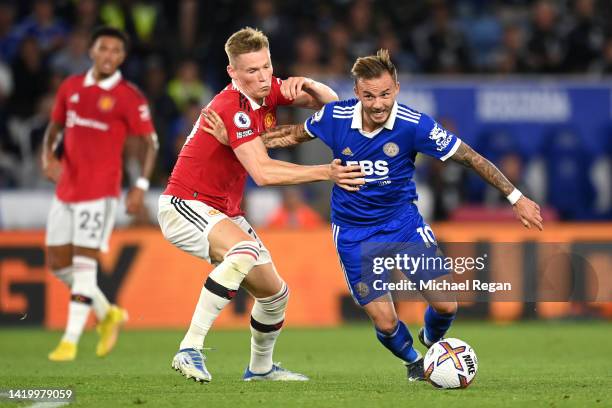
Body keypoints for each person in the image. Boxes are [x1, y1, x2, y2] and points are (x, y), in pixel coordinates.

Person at [206, 49, 543, 381]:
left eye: (385, 94)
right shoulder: (336, 117)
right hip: (354, 232)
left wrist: (516, 197)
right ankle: (415, 363)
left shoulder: (414, 126)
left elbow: (469, 157)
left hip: (402, 224)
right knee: (385, 322)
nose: (379, 103)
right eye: (369, 96)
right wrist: (239, 140)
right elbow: (292, 134)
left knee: (447, 306)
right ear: (357, 93)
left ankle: (430, 340)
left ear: (396, 88)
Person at [157, 27, 363, 383]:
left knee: (275, 294)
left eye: (266, 67)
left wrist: (310, 84)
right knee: (244, 252)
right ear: (232, 73)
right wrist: (326, 172)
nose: (263, 77)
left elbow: (338, 108)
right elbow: (263, 173)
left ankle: (261, 368)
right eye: (251, 71)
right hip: (184, 203)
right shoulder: (230, 107)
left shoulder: (267, 90)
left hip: (223, 210)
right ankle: (189, 348)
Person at [42, 26, 158, 361]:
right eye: (103, 49)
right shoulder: (71, 87)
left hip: (100, 191)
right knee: (57, 264)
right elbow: (55, 126)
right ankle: (108, 313)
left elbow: (150, 142)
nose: (109, 55)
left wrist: (139, 186)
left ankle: (70, 340)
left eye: (116, 51)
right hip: (66, 190)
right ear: (91, 51)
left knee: (82, 266)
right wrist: (47, 157)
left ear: (122, 57)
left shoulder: (128, 96)